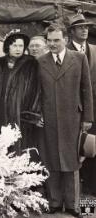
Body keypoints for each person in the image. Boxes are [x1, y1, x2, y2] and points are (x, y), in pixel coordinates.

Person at [38, 23, 93, 217]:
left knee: (72, 162)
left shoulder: (79, 58)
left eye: (56, 40)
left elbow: (86, 89)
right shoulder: (40, 61)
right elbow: (37, 93)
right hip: (49, 118)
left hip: (73, 118)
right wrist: (38, 115)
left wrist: (87, 118)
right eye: (49, 41)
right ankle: (54, 202)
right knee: (51, 160)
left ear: (66, 40)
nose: (52, 44)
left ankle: (73, 204)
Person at [0, 29, 41, 154]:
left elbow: (36, 90)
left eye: (21, 46)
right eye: (14, 45)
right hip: (1, 113)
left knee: (21, 147)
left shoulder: (31, 64)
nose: (18, 49)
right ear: (7, 46)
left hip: (21, 115)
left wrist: (32, 114)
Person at [66, 13, 96, 196]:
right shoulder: (64, 50)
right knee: (77, 160)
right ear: (71, 31)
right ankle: (75, 203)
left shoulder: (94, 49)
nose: (85, 30)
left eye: (86, 27)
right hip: (73, 115)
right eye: (80, 27)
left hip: (94, 115)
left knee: (92, 155)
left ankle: (90, 203)